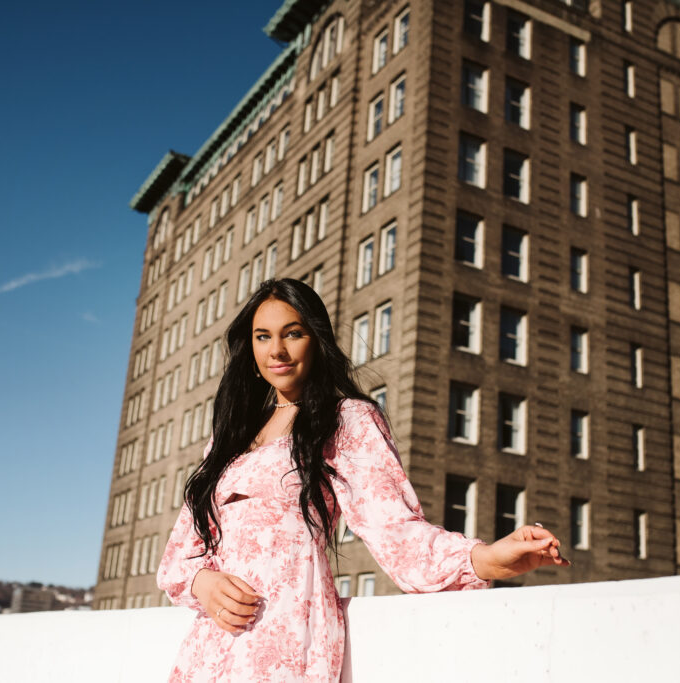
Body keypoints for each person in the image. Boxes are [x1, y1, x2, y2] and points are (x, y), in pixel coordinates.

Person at [158, 278, 569, 681]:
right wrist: (202, 583)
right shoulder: (228, 438)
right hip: (210, 647)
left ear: (316, 340)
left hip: (287, 640)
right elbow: (179, 556)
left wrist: (485, 559)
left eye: (293, 333)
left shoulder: (347, 420)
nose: (277, 350)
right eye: (263, 336)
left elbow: (395, 531)